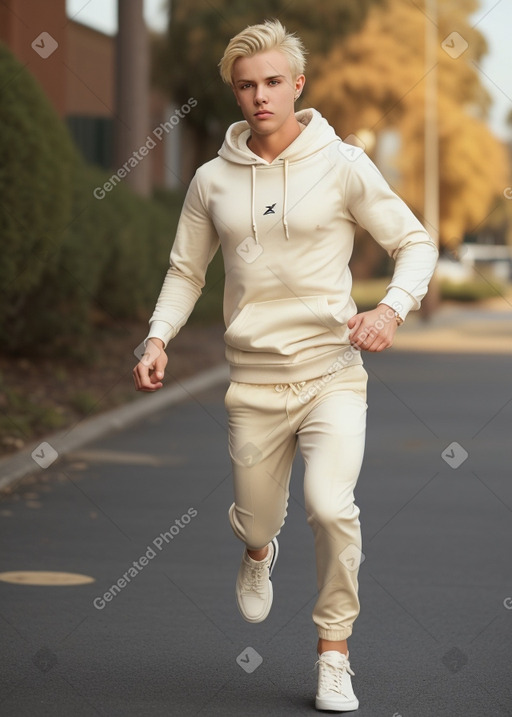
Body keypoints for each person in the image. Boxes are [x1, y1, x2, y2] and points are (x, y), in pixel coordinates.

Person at [133, 18, 438, 712]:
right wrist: (157, 337)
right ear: (235, 94)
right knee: (260, 521)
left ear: (297, 85)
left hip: (332, 371)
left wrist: (390, 309)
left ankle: (335, 652)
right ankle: (257, 552)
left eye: (273, 81)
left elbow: (415, 243)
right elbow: (186, 270)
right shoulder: (212, 180)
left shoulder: (344, 164)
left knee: (332, 508)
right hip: (254, 382)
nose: (260, 96)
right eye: (247, 86)